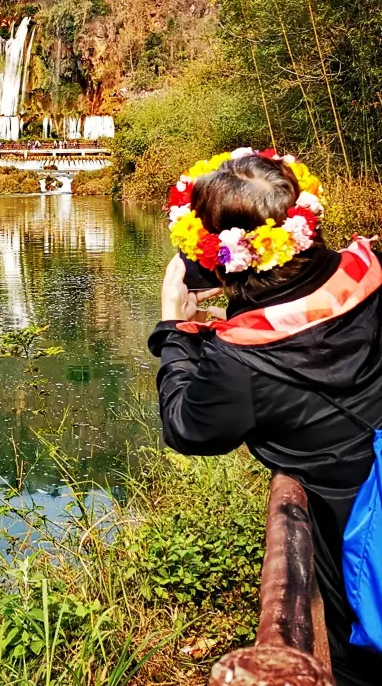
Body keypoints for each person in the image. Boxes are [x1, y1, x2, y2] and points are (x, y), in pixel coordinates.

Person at [148, 149, 382, 686]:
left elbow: (188, 429)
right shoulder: (369, 272)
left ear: (215, 254)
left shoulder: (242, 360)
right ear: (303, 219)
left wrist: (174, 330)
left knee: (358, 660)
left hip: (352, 534)